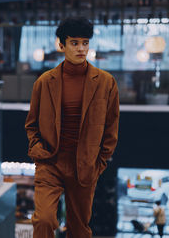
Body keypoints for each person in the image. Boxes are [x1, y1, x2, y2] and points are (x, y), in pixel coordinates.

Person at [25, 17, 120, 238]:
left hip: (85, 164)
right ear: (61, 45)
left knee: (79, 228)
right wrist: (38, 150)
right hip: (51, 161)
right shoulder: (44, 82)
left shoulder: (106, 82)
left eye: (85, 43)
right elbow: (31, 124)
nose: (81, 48)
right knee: (44, 220)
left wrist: (100, 162)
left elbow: (111, 126)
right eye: (74, 43)